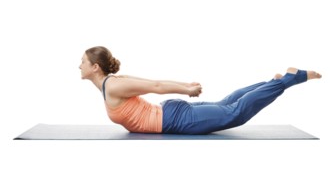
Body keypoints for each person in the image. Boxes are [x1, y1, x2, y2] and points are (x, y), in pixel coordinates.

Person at [79, 46, 322, 135]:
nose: (79, 65)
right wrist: (185, 86)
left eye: (83, 62)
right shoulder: (112, 83)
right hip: (171, 114)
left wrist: (187, 90)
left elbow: (156, 86)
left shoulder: (114, 85)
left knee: (234, 113)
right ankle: (274, 81)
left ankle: (289, 79)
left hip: (174, 119)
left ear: (95, 67)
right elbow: (155, 82)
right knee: (227, 104)